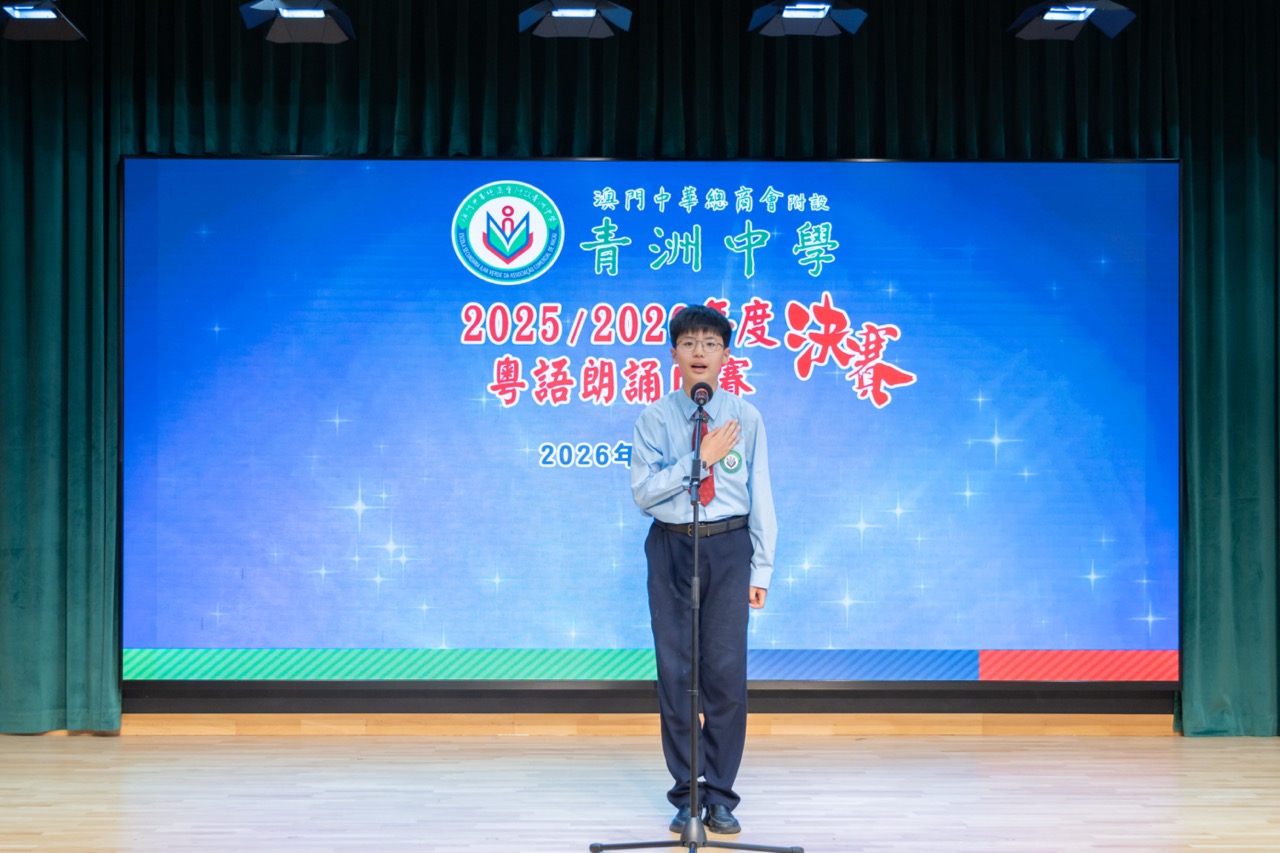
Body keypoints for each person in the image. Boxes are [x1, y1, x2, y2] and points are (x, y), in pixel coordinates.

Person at [630, 304, 775, 836]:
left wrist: (761, 569)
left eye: (710, 344)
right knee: (676, 676)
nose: (699, 352)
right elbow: (644, 494)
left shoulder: (746, 417)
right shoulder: (654, 418)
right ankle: (686, 793)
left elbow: (761, 493)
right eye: (689, 343)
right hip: (671, 546)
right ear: (674, 353)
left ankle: (720, 796)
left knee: (725, 677)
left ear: (725, 355)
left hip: (729, 549)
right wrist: (700, 460)